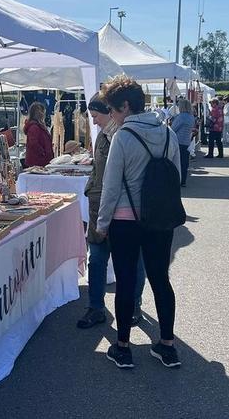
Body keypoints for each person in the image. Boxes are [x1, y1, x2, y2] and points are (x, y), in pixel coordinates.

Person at [96, 75, 182, 369]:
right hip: (160, 219)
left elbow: (110, 186)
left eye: (114, 110)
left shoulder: (123, 137)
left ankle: (122, 347)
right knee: (161, 279)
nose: (112, 116)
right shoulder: (168, 133)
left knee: (126, 281)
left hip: (125, 219)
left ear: (126, 107)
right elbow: (176, 178)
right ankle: (167, 345)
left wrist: (101, 223)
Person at [77, 94, 146, 329]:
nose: (93, 121)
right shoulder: (103, 137)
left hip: (123, 212)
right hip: (100, 207)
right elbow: (99, 174)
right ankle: (96, 307)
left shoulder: (124, 136)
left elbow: (117, 182)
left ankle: (134, 305)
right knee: (96, 260)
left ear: (111, 112)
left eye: (96, 116)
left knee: (133, 262)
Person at [170, 98, 195, 186]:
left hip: (178, 141)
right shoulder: (191, 116)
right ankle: (183, 180)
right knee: (184, 163)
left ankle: (177, 180)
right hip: (187, 141)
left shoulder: (181, 117)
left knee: (177, 162)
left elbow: (173, 129)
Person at [22, 101, 53, 167]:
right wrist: (43, 153)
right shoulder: (34, 127)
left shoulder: (37, 126)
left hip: (41, 160)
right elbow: (34, 143)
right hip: (38, 161)